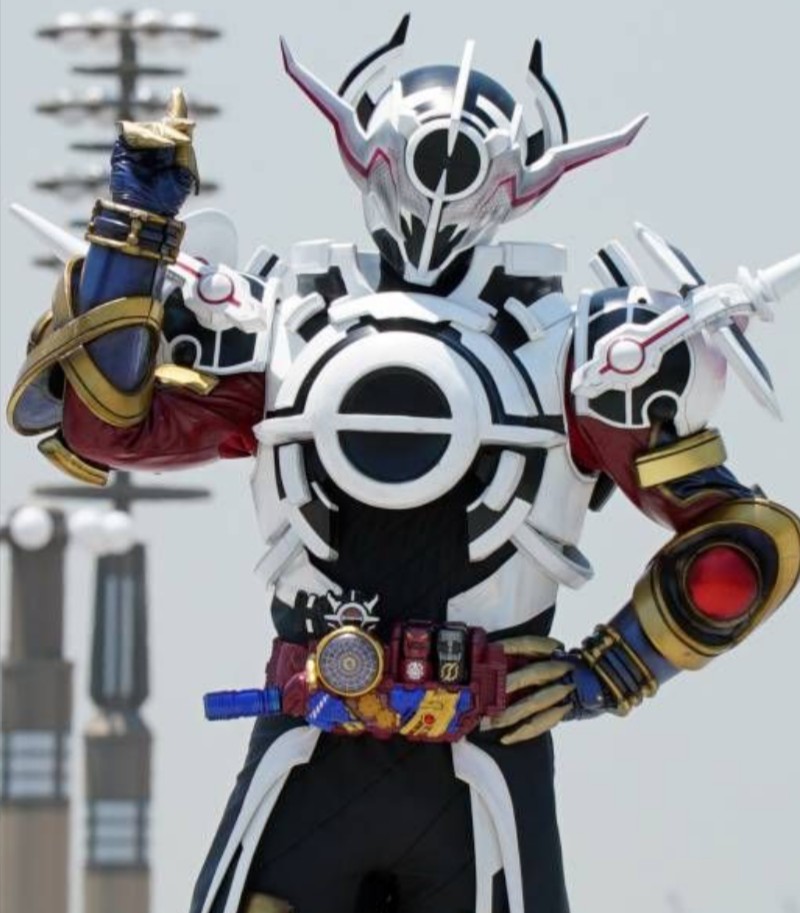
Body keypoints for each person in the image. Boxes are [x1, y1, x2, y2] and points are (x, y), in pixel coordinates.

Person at [7, 18, 800, 913]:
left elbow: (741, 538)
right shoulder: (281, 329)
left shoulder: (580, 354)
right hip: (317, 743)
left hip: (476, 764)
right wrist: (135, 228)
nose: (441, 177)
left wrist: (612, 667)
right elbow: (109, 428)